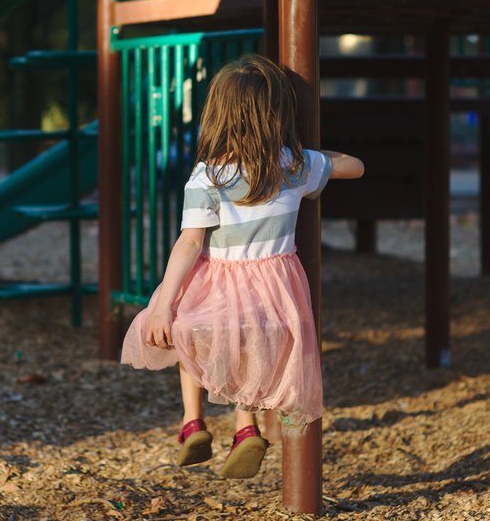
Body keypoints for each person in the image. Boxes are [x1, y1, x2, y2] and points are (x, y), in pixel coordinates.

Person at [121, 54, 364, 479]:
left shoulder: (207, 177)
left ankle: (192, 422)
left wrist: (163, 304)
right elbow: (355, 167)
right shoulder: (292, 166)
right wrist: (308, 155)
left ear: (218, 115)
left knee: (187, 332)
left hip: (216, 282)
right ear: (275, 117)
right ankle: (245, 427)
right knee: (252, 348)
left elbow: (190, 242)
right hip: (274, 290)